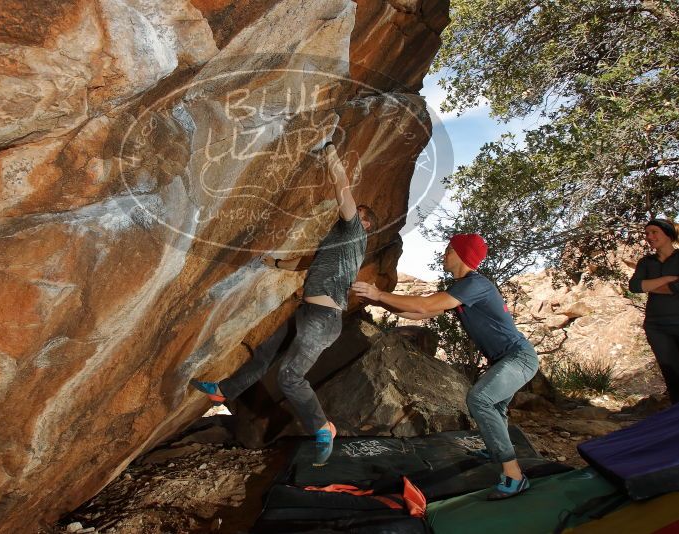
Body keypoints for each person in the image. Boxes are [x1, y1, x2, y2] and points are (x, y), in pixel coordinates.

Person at [191, 142, 378, 466]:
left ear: (365, 226)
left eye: (357, 214)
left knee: (290, 376)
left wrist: (330, 149)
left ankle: (323, 427)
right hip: (308, 312)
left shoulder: (354, 233)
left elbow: (341, 186)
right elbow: (305, 262)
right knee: (265, 354)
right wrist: (273, 263)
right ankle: (223, 391)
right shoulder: (337, 242)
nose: (350, 212)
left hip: (323, 318)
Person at [352, 234, 539, 500]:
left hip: (519, 358)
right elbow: (422, 313)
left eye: (448, 250)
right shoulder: (464, 287)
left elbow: (425, 303)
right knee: (494, 406)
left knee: (480, 399)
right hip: (507, 359)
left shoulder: (476, 284)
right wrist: (378, 302)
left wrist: (379, 292)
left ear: (460, 254)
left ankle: (514, 476)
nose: (443, 255)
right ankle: (495, 449)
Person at [628, 218, 679, 404]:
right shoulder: (646, 262)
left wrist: (649, 285)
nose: (649, 237)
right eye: (647, 233)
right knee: (672, 374)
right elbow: (634, 286)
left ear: (668, 234)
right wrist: (668, 278)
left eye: (654, 232)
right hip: (656, 327)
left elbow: (677, 288)